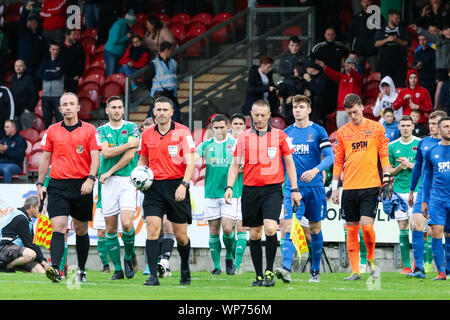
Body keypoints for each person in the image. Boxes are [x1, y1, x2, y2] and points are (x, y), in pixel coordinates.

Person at [225, 99, 302, 287]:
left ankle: (269, 271)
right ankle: (259, 276)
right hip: (250, 190)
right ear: (251, 114)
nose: (258, 118)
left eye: (262, 115)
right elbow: (235, 164)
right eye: (255, 115)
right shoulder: (243, 137)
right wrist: (229, 186)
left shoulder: (280, 136)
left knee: (269, 228)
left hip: (273, 189)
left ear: (269, 116)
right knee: (254, 234)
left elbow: (290, 163)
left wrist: (295, 188)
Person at [37, 92, 101, 283]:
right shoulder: (52, 130)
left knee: (81, 229)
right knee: (58, 227)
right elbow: (45, 159)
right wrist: (40, 183)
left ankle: (81, 269)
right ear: (60, 108)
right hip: (57, 185)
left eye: (71, 104)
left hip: (82, 184)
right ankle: (55, 268)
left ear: (78, 107)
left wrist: (91, 179)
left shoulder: (90, 130)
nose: (68, 107)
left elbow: (96, 157)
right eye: (64, 104)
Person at [274, 95, 334, 283]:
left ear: (309, 110)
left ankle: (315, 270)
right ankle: (285, 269)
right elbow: (280, 162)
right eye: (294, 107)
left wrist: (315, 170)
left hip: (315, 187)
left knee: (315, 230)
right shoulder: (286, 133)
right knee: (289, 226)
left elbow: (330, 157)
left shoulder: (318, 131)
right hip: (293, 189)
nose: (297, 110)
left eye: (301, 107)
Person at [331, 93, 390, 281]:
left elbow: (383, 155)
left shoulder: (376, 128)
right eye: (349, 114)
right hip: (348, 187)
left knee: (366, 226)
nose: (353, 116)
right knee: (351, 229)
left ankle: (371, 259)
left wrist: (386, 178)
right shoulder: (342, 132)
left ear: (362, 107)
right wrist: (334, 187)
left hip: (371, 185)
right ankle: (355, 271)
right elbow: (339, 160)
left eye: (355, 112)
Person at [138, 96, 195, 286]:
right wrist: (138, 177)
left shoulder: (183, 131)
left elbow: (191, 162)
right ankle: (153, 275)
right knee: (153, 228)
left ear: (172, 112)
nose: (161, 113)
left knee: (180, 235)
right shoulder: (147, 135)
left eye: (165, 110)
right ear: (153, 112)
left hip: (177, 186)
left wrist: (184, 185)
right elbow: (142, 162)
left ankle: (185, 269)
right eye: (158, 110)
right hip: (153, 187)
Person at [97, 96, 141, 280]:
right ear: (107, 110)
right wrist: (129, 144)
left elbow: (131, 156)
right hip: (108, 184)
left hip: (127, 181)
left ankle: (129, 257)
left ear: (123, 110)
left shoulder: (131, 127)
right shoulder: (100, 130)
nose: (116, 110)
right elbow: (105, 152)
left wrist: (110, 170)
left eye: (119, 107)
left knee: (127, 223)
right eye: (113, 107)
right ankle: (117, 269)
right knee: (110, 228)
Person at [195, 114, 244, 276]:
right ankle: (216, 266)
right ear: (211, 128)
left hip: (230, 193)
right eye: (216, 128)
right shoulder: (206, 145)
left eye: (222, 127)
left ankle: (229, 256)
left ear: (227, 126)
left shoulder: (235, 144)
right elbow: (194, 157)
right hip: (211, 193)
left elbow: (243, 163)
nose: (219, 130)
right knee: (214, 230)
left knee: (228, 228)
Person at [406, 110, 447, 279]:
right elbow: (417, 168)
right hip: (425, 190)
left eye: (435, 123)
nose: (431, 127)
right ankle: (419, 268)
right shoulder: (424, 143)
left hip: (442, 192)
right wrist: (411, 190)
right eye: (429, 123)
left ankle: (443, 268)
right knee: (416, 225)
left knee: (438, 231)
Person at [388, 115, 421, 274]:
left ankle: (421, 264)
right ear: (399, 127)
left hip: (417, 190)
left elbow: (425, 168)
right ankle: (407, 266)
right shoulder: (392, 146)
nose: (406, 128)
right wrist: (401, 167)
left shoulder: (420, 144)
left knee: (419, 227)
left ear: (413, 126)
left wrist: (410, 165)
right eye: (403, 126)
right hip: (399, 191)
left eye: (408, 125)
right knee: (402, 227)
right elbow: (389, 171)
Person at [421, 116, 450, 280]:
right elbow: (427, 178)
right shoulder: (432, 152)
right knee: (436, 232)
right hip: (437, 200)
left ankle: (449, 268)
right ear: (439, 129)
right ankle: (441, 271)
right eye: (445, 126)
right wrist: (425, 201)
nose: (449, 129)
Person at [0, 196, 48, 273]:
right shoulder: (21, 218)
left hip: (18, 253)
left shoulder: (27, 220)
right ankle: (7, 266)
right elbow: (29, 243)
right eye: (39, 208)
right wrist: (43, 262)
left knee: (41, 272)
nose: (41, 211)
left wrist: (43, 262)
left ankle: (11, 264)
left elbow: (33, 243)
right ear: (32, 207)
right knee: (31, 254)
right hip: (5, 249)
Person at [316, 57, 363, 129]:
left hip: (354, 109)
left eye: (352, 65)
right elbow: (333, 74)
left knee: (355, 131)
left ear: (355, 67)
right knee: (341, 132)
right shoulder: (342, 77)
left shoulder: (358, 77)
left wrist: (350, 70)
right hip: (341, 109)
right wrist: (324, 66)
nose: (349, 66)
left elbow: (356, 76)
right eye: (348, 64)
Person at [412, 24, 450, 110]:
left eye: (449, 31)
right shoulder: (439, 39)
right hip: (442, 67)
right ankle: (436, 107)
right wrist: (418, 29)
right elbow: (429, 35)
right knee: (440, 85)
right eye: (446, 30)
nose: (448, 32)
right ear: (443, 32)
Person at [374, 9, 411, 88]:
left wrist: (397, 40)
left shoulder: (402, 30)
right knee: (386, 86)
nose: (398, 20)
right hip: (385, 64)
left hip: (400, 64)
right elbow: (376, 43)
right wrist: (387, 40)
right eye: (396, 18)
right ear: (390, 17)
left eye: (399, 18)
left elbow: (408, 43)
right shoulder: (382, 30)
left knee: (399, 85)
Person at [145, 41, 181, 123]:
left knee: (174, 114)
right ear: (166, 50)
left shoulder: (173, 63)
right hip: (159, 93)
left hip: (172, 94)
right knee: (156, 114)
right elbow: (147, 80)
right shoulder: (154, 64)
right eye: (171, 50)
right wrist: (154, 90)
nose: (172, 52)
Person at [348, 0, 382, 73]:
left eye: (368, 1)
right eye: (364, 1)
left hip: (374, 53)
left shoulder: (378, 17)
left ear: (371, 2)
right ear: (361, 3)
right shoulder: (356, 17)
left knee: (376, 75)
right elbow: (351, 35)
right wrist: (352, 50)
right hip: (359, 53)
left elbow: (382, 34)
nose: (366, 4)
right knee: (358, 74)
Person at [18, 3, 47, 84]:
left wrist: (42, 66)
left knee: (35, 89)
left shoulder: (41, 37)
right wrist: (26, 11)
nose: (33, 23)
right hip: (25, 67)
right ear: (28, 23)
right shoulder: (24, 33)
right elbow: (21, 22)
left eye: (35, 21)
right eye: (31, 21)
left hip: (37, 68)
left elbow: (45, 53)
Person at [38, 43, 65, 129]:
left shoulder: (61, 61)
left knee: (60, 120)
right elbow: (40, 74)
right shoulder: (44, 61)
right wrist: (53, 73)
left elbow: (59, 74)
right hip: (46, 95)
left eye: (57, 49)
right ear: (50, 50)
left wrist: (47, 73)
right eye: (53, 49)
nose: (55, 51)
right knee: (46, 120)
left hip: (58, 96)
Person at [104, 9, 136, 76]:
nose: (132, 25)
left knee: (117, 73)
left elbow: (126, 42)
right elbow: (114, 40)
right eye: (132, 24)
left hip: (119, 54)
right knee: (111, 73)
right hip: (111, 53)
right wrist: (127, 37)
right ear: (129, 22)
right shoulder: (118, 25)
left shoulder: (126, 27)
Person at [10, 60, 38, 131]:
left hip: (26, 112)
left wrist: (29, 108)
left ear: (24, 67)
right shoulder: (13, 79)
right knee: (15, 133)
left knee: (26, 134)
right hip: (16, 112)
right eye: (16, 66)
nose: (18, 68)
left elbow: (35, 95)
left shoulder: (29, 79)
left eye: (20, 66)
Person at [60, 29, 85, 94]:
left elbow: (83, 62)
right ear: (67, 36)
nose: (75, 37)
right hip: (62, 78)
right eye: (73, 35)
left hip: (73, 78)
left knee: (72, 98)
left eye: (75, 35)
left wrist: (78, 75)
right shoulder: (60, 48)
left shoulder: (78, 47)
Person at [413, 34, 436, 101]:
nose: (422, 42)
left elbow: (434, 67)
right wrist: (416, 67)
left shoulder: (433, 52)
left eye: (424, 40)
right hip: (420, 80)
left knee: (430, 99)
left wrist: (422, 66)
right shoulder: (418, 53)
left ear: (428, 40)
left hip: (430, 80)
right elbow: (414, 65)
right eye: (420, 40)